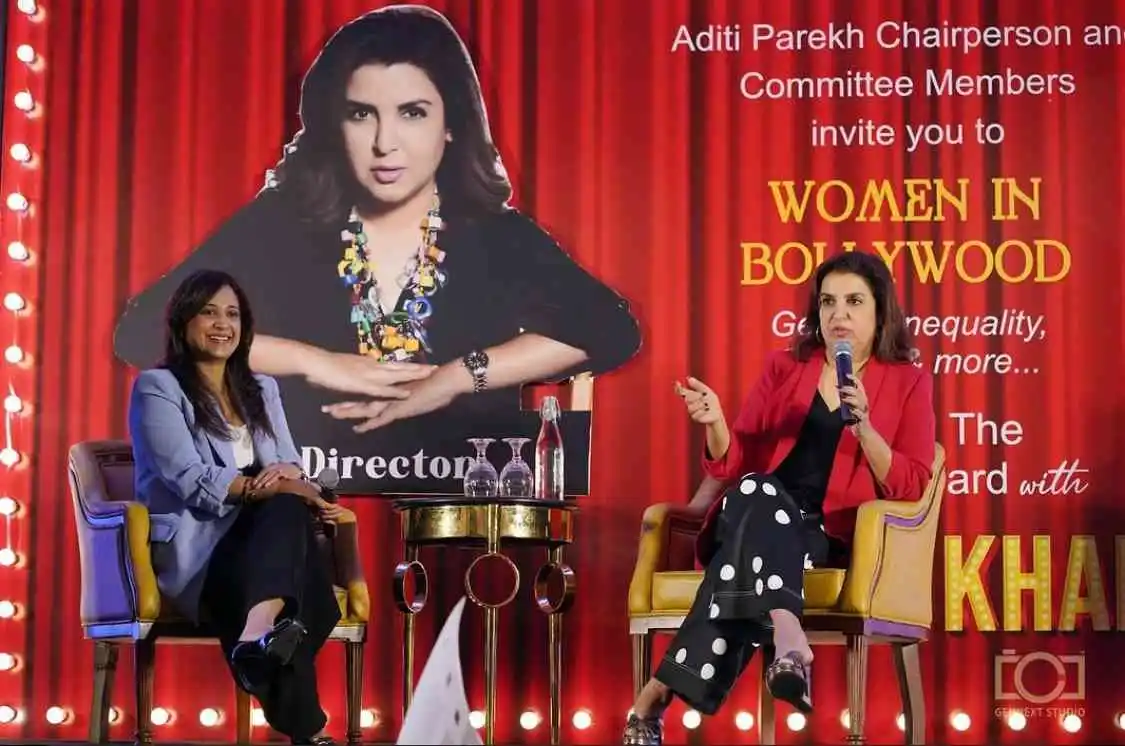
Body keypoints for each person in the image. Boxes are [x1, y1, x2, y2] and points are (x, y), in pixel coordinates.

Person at [113, 4, 641, 495]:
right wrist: (312, 362)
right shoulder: (280, 225)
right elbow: (142, 331)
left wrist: (456, 377)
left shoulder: (497, 235)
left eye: (412, 113)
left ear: (451, 124)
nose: (385, 143)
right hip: (305, 500)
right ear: (332, 125)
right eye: (361, 114)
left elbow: (611, 330)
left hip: (458, 501)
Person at [622, 252, 936, 745]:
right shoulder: (785, 367)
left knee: (740, 563)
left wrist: (866, 429)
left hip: (821, 536)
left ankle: (656, 696)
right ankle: (789, 634)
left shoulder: (907, 381)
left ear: (881, 312)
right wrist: (716, 423)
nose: (839, 315)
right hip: (752, 509)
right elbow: (737, 462)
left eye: (854, 302)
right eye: (828, 302)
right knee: (756, 488)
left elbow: (913, 485)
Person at [129, 269, 353, 746]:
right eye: (208, 312)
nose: (222, 324)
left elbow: (289, 461)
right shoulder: (158, 387)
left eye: (232, 314)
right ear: (183, 321)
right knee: (308, 585)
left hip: (264, 541)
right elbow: (188, 477)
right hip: (201, 549)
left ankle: (258, 637)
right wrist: (261, 488)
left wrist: (286, 475)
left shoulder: (262, 389)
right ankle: (289, 691)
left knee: (286, 514)